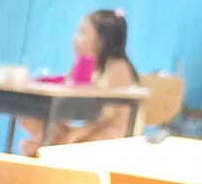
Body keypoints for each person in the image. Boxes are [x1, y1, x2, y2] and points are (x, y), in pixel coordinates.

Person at [18, 8, 141, 152]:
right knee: (31, 120)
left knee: (43, 147)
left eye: (82, 33)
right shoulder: (85, 65)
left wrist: (77, 133)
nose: (74, 39)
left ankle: (41, 152)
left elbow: (120, 119)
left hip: (113, 133)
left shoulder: (118, 66)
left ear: (102, 40)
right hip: (92, 128)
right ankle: (42, 150)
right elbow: (66, 92)